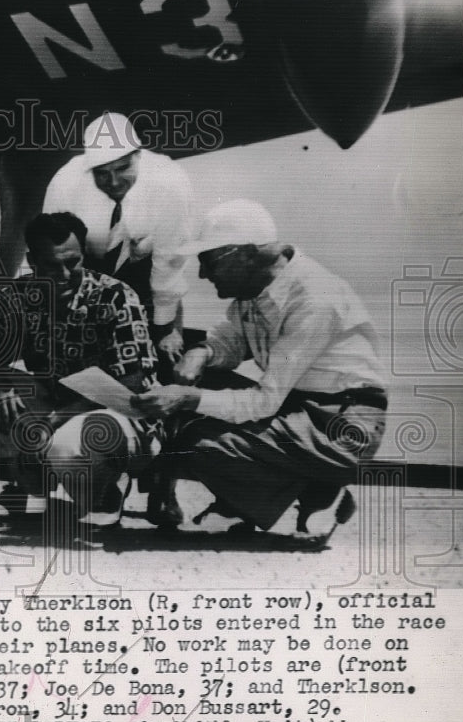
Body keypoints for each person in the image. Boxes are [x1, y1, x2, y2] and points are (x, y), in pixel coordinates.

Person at [131, 200, 388, 540]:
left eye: (207, 262)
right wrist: (202, 352)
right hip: (298, 410)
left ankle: (318, 489)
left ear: (245, 254)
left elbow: (263, 403)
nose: (203, 275)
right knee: (199, 398)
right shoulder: (253, 292)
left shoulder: (314, 299)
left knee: (195, 440)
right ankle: (271, 495)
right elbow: (230, 342)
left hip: (340, 424)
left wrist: (186, 397)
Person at [0, 212, 163, 528]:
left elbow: (132, 384)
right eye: (51, 265)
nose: (63, 274)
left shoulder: (116, 296)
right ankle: (31, 484)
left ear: (83, 254)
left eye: (73, 263)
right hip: (56, 400)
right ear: (32, 261)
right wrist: (1, 387)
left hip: (120, 410)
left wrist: (55, 421)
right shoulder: (18, 295)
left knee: (80, 436)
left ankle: (106, 489)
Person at [42, 112, 194, 376]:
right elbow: (50, 258)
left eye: (123, 168)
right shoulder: (65, 184)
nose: (113, 183)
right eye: (102, 174)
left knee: (161, 360)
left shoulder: (171, 183)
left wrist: (164, 331)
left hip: (148, 273)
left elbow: (169, 264)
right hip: (87, 269)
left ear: (139, 155)